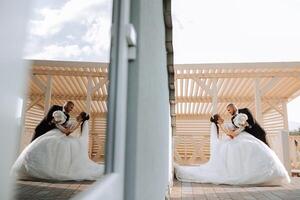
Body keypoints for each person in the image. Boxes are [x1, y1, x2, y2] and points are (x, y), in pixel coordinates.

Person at [175, 114, 290, 185]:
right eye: (220, 117)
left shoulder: (223, 124)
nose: (223, 117)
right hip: (230, 140)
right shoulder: (221, 125)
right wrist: (242, 128)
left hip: (230, 140)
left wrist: (241, 125)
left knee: (251, 148)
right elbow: (231, 135)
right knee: (247, 149)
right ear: (218, 119)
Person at [11, 111, 104, 181]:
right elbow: (68, 129)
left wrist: (59, 125)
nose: (76, 115)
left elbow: (67, 132)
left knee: (53, 144)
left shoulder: (78, 123)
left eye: (78, 115)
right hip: (63, 135)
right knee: (48, 143)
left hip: (67, 137)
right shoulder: (75, 122)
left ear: (81, 117)